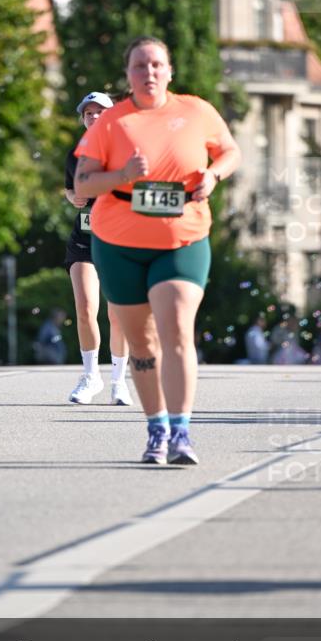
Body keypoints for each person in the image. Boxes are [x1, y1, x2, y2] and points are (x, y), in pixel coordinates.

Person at [74, 36, 241, 465]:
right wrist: (122, 174)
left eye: (156, 65)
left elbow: (230, 151)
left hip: (180, 237)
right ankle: (156, 429)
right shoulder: (111, 122)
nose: (148, 72)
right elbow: (83, 184)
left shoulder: (196, 111)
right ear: (128, 75)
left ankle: (182, 433)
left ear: (169, 71)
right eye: (139, 66)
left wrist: (214, 175)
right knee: (143, 344)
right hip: (120, 243)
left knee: (176, 326)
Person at [65, 91, 132, 406]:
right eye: (88, 113)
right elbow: (70, 189)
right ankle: (91, 377)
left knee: (117, 314)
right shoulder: (76, 154)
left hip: (119, 241)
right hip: (85, 240)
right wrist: (71, 198)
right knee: (85, 308)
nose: (93, 118)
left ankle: (119, 381)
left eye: (99, 112)